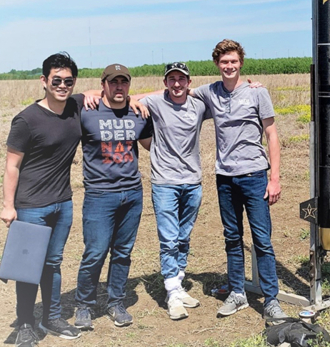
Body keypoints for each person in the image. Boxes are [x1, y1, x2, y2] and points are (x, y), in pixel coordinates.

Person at [189, 39, 288, 322]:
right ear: (217, 65)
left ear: (241, 63)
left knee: (262, 240)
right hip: (225, 178)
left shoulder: (258, 93)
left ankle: (271, 300)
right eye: (224, 62)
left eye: (233, 61)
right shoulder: (210, 92)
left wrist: (275, 178)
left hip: (255, 176)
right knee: (232, 238)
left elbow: (272, 135)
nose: (229, 66)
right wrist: (135, 98)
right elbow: (177, 91)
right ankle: (237, 293)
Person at [1, 53, 83, 346]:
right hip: (32, 205)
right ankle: (25, 323)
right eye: (56, 80)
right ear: (44, 81)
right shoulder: (27, 119)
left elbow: (108, 94)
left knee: (53, 263)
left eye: (68, 81)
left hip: (63, 203)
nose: (62, 85)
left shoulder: (75, 105)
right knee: (28, 267)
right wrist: (8, 206)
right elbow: (12, 164)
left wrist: (141, 99)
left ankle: (51, 316)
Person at [73, 64, 153, 330]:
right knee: (95, 251)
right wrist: (86, 92)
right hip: (99, 194)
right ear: (103, 84)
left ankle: (115, 301)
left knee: (123, 252)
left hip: (132, 193)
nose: (119, 86)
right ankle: (83, 305)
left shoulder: (138, 113)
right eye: (113, 82)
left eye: (124, 82)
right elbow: (56, 100)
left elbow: (151, 141)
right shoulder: (87, 111)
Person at [138, 62, 209, 320]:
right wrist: (90, 95)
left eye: (182, 79)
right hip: (165, 182)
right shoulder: (155, 103)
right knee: (168, 239)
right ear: (165, 82)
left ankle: (178, 282)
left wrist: (251, 86)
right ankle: (172, 292)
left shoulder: (199, 105)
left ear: (189, 82)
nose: (177, 84)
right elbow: (127, 100)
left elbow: (225, 96)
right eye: (172, 79)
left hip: (192, 181)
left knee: (183, 237)